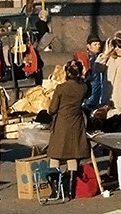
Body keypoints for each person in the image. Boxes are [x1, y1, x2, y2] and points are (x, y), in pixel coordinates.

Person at [47, 60, 90, 200]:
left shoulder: (60, 88)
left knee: (55, 155)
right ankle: (71, 191)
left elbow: (52, 109)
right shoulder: (82, 88)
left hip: (62, 123)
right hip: (76, 122)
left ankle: (56, 190)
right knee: (73, 154)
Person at [100, 37, 121, 110]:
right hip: (109, 100)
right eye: (115, 46)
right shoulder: (110, 59)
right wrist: (106, 53)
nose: (117, 49)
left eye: (119, 46)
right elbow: (97, 69)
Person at [83, 34, 104, 112]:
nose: (98, 46)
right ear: (88, 46)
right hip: (91, 93)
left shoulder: (98, 57)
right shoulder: (87, 59)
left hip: (98, 93)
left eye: (99, 44)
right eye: (95, 44)